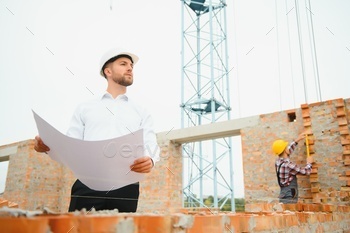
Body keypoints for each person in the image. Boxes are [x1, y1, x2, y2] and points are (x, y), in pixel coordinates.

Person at [34, 48, 160, 212]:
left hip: (126, 187)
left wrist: (150, 160)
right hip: (88, 184)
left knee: (121, 230)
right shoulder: (85, 108)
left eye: (131, 65)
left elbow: (151, 143)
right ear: (108, 71)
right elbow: (71, 143)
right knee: (80, 229)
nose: (130, 68)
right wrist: (46, 147)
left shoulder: (141, 111)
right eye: (123, 64)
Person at [272, 132, 313, 204]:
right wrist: (309, 163)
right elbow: (306, 171)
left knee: (285, 212)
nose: (288, 148)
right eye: (286, 147)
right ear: (285, 150)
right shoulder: (289, 165)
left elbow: (287, 151)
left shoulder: (278, 162)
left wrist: (296, 141)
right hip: (290, 194)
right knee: (290, 212)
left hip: (283, 193)